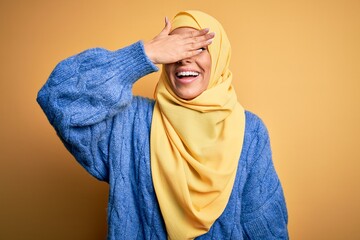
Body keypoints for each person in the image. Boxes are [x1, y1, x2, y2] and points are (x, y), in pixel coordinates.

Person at [37, 10, 288, 240]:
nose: (184, 59)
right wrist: (144, 54)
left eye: (198, 48)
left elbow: (265, 225)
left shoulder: (250, 131)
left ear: (220, 57)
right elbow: (58, 96)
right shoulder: (130, 122)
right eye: (175, 49)